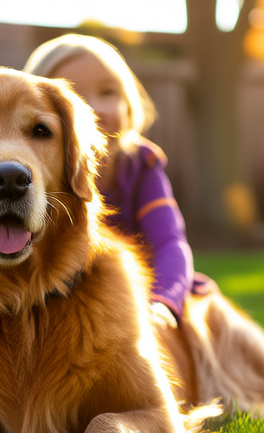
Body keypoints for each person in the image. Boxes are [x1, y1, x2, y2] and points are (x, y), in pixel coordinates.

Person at [24, 34, 215, 325]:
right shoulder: (32, 178)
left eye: (108, 91)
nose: (96, 107)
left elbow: (169, 242)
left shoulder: (141, 166)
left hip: (140, 295)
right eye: (74, 95)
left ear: (128, 105)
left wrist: (164, 302)